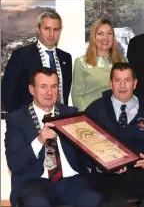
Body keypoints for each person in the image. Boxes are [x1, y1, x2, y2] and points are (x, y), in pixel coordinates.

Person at [4, 67, 101, 207]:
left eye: (54, 86)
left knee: (93, 199)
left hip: (72, 180)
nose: (49, 92)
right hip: (35, 182)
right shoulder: (17, 119)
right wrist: (39, 140)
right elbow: (14, 163)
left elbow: (85, 151)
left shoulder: (71, 114)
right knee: (37, 203)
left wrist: (104, 164)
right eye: (43, 87)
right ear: (31, 89)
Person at [85, 62, 144, 207]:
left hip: (141, 172)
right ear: (111, 84)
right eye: (117, 81)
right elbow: (83, 149)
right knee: (111, 203)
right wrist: (100, 166)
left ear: (135, 83)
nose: (122, 86)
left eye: (127, 80)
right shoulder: (95, 110)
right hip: (107, 176)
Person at [1, 10, 72, 114]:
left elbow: (64, 93)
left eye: (56, 29)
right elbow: (7, 90)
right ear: (38, 30)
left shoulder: (66, 58)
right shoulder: (21, 55)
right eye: (47, 29)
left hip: (59, 119)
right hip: (29, 121)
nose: (52, 34)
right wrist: (18, 119)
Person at [72, 19, 125, 111]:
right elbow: (77, 96)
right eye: (100, 34)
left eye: (109, 33)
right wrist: (87, 117)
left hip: (119, 115)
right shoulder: (81, 62)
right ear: (93, 37)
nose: (105, 38)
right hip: (92, 116)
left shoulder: (123, 61)